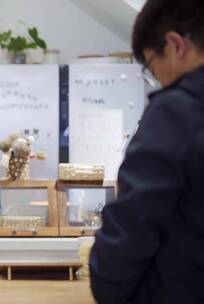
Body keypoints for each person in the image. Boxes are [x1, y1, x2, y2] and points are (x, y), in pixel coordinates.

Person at [90, 0, 204, 303]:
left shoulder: (177, 111)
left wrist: (105, 284)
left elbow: (133, 223)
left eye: (153, 67)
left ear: (174, 45)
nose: (159, 80)